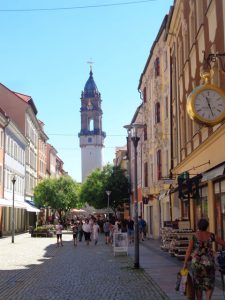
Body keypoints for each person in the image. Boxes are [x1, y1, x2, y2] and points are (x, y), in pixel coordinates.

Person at [183, 218, 225, 300]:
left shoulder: (194, 236)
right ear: (207, 226)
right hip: (209, 263)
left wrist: (185, 263)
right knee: (209, 284)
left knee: (198, 285)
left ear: (198, 226)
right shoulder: (212, 235)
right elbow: (223, 243)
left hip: (196, 264)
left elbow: (188, 251)